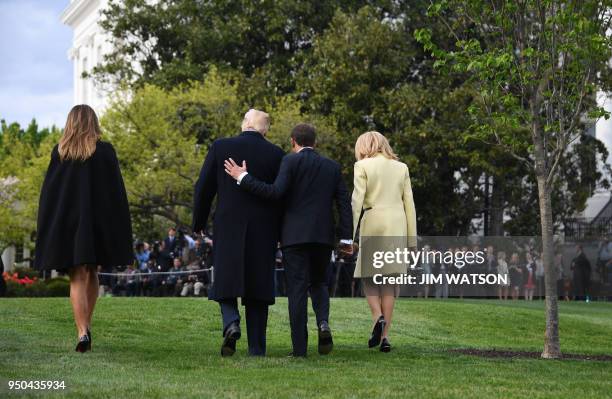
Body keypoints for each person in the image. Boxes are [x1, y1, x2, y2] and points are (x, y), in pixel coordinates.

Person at [224, 123, 352, 357]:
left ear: (293, 141)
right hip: (323, 236)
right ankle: (323, 322)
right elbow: (343, 203)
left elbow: (275, 193)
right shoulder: (332, 167)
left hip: (294, 237)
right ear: (315, 142)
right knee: (320, 283)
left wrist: (243, 177)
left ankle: (300, 350)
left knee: (297, 291)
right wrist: (346, 237)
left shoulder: (290, 161)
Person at [34, 104, 133, 352]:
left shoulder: (60, 153)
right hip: (96, 223)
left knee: (77, 276)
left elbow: (50, 195)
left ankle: (82, 332)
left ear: (71, 123)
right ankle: (86, 327)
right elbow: (115, 194)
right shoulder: (105, 152)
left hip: (69, 224)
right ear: (93, 123)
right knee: (92, 271)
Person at [192, 109, 285, 357]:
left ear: (245, 123)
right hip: (264, 227)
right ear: (265, 130)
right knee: (258, 284)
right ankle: (256, 347)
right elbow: (280, 196)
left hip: (228, 223)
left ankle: (231, 321)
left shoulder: (221, 147)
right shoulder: (276, 154)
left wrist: (198, 222)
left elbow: (203, 188)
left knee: (225, 275)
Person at [350, 131, 417, 353]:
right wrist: (411, 240)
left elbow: (357, 201)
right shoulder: (402, 167)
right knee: (389, 282)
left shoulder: (362, 166)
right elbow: (410, 204)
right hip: (397, 224)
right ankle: (385, 337)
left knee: (369, 278)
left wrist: (348, 236)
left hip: (374, 221)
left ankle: (377, 317)